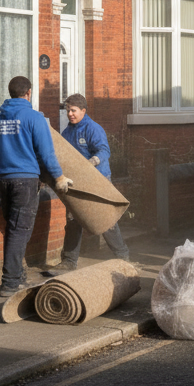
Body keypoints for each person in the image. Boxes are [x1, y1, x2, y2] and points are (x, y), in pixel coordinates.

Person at [0, 76, 69, 298]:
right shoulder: (34, 118)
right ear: (28, 92)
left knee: (13, 227)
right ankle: (9, 282)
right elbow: (46, 153)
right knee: (20, 230)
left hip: (3, 178)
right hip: (24, 179)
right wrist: (59, 177)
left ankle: (18, 274)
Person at [60, 93, 129, 268]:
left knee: (105, 220)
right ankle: (69, 261)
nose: (70, 114)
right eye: (68, 110)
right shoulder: (67, 132)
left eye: (73, 110)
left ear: (83, 110)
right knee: (73, 220)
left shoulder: (93, 128)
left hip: (99, 180)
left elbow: (104, 151)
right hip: (78, 182)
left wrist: (91, 163)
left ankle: (123, 258)